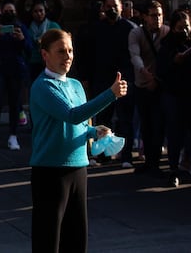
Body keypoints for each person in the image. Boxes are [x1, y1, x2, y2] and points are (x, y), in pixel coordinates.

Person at [29, 29, 127, 252]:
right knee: (48, 239)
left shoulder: (75, 85)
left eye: (70, 50)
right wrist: (110, 94)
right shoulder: (42, 86)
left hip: (78, 167)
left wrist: (94, 132)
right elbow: (72, 115)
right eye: (61, 51)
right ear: (45, 55)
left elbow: (80, 124)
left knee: (76, 238)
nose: (68, 56)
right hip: (50, 170)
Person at [89, 0, 137, 168]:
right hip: (102, 78)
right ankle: (103, 155)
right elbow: (90, 54)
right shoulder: (97, 28)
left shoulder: (130, 28)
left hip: (124, 78)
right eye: (108, 7)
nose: (111, 10)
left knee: (125, 118)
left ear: (121, 6)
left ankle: (126, 156)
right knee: (103, 120)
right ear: (103, 7)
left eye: (114, 6)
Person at [156, 10, 191, 187]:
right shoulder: (167, 46)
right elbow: (161, 72)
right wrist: (174, 62)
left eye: (186, 27)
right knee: (175, 135)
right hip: (173, 96)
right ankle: (173, 170)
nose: (184, 31)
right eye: (180, 27)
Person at [0, 0, 32, 150]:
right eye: (6, 10)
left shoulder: (21, 27)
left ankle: (13, 135)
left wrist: (22, 40)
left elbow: (29, 50)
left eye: (12, 10)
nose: (9, 13)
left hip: (16, 70)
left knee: (14, 103)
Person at [128, 0, 170, 175]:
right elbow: (135, 54)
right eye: (153, 15)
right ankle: (148, 161)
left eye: (160, 15)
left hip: (160, 85)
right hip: (142, 84)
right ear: (145, 17)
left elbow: (167, 59)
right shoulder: (136, 33)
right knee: (145, 124)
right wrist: (144, 72)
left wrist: (156, 79)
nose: (157, 19)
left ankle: (156, 162)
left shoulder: (167, 32)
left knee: (159, 123)